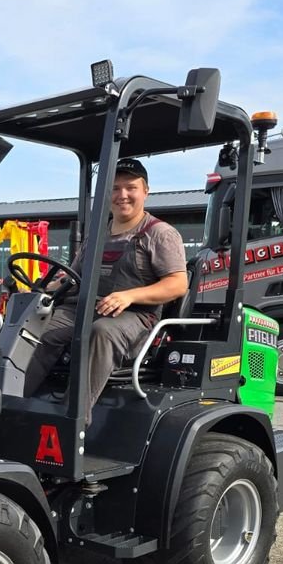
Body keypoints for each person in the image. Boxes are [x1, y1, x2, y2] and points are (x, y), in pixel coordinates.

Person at [22, 157, 189, 422]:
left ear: (145, 191)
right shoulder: (97, 235)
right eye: (115, 188)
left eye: (130, 187)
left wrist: (129, 295)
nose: (122, 195)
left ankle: (73, 421)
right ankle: (10, 404)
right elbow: (73, 276)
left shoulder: (160, 234)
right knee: (33, 326)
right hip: (84, 306)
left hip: (134, 315)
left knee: (100, 332)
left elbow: (177, 284)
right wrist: (45, 288)